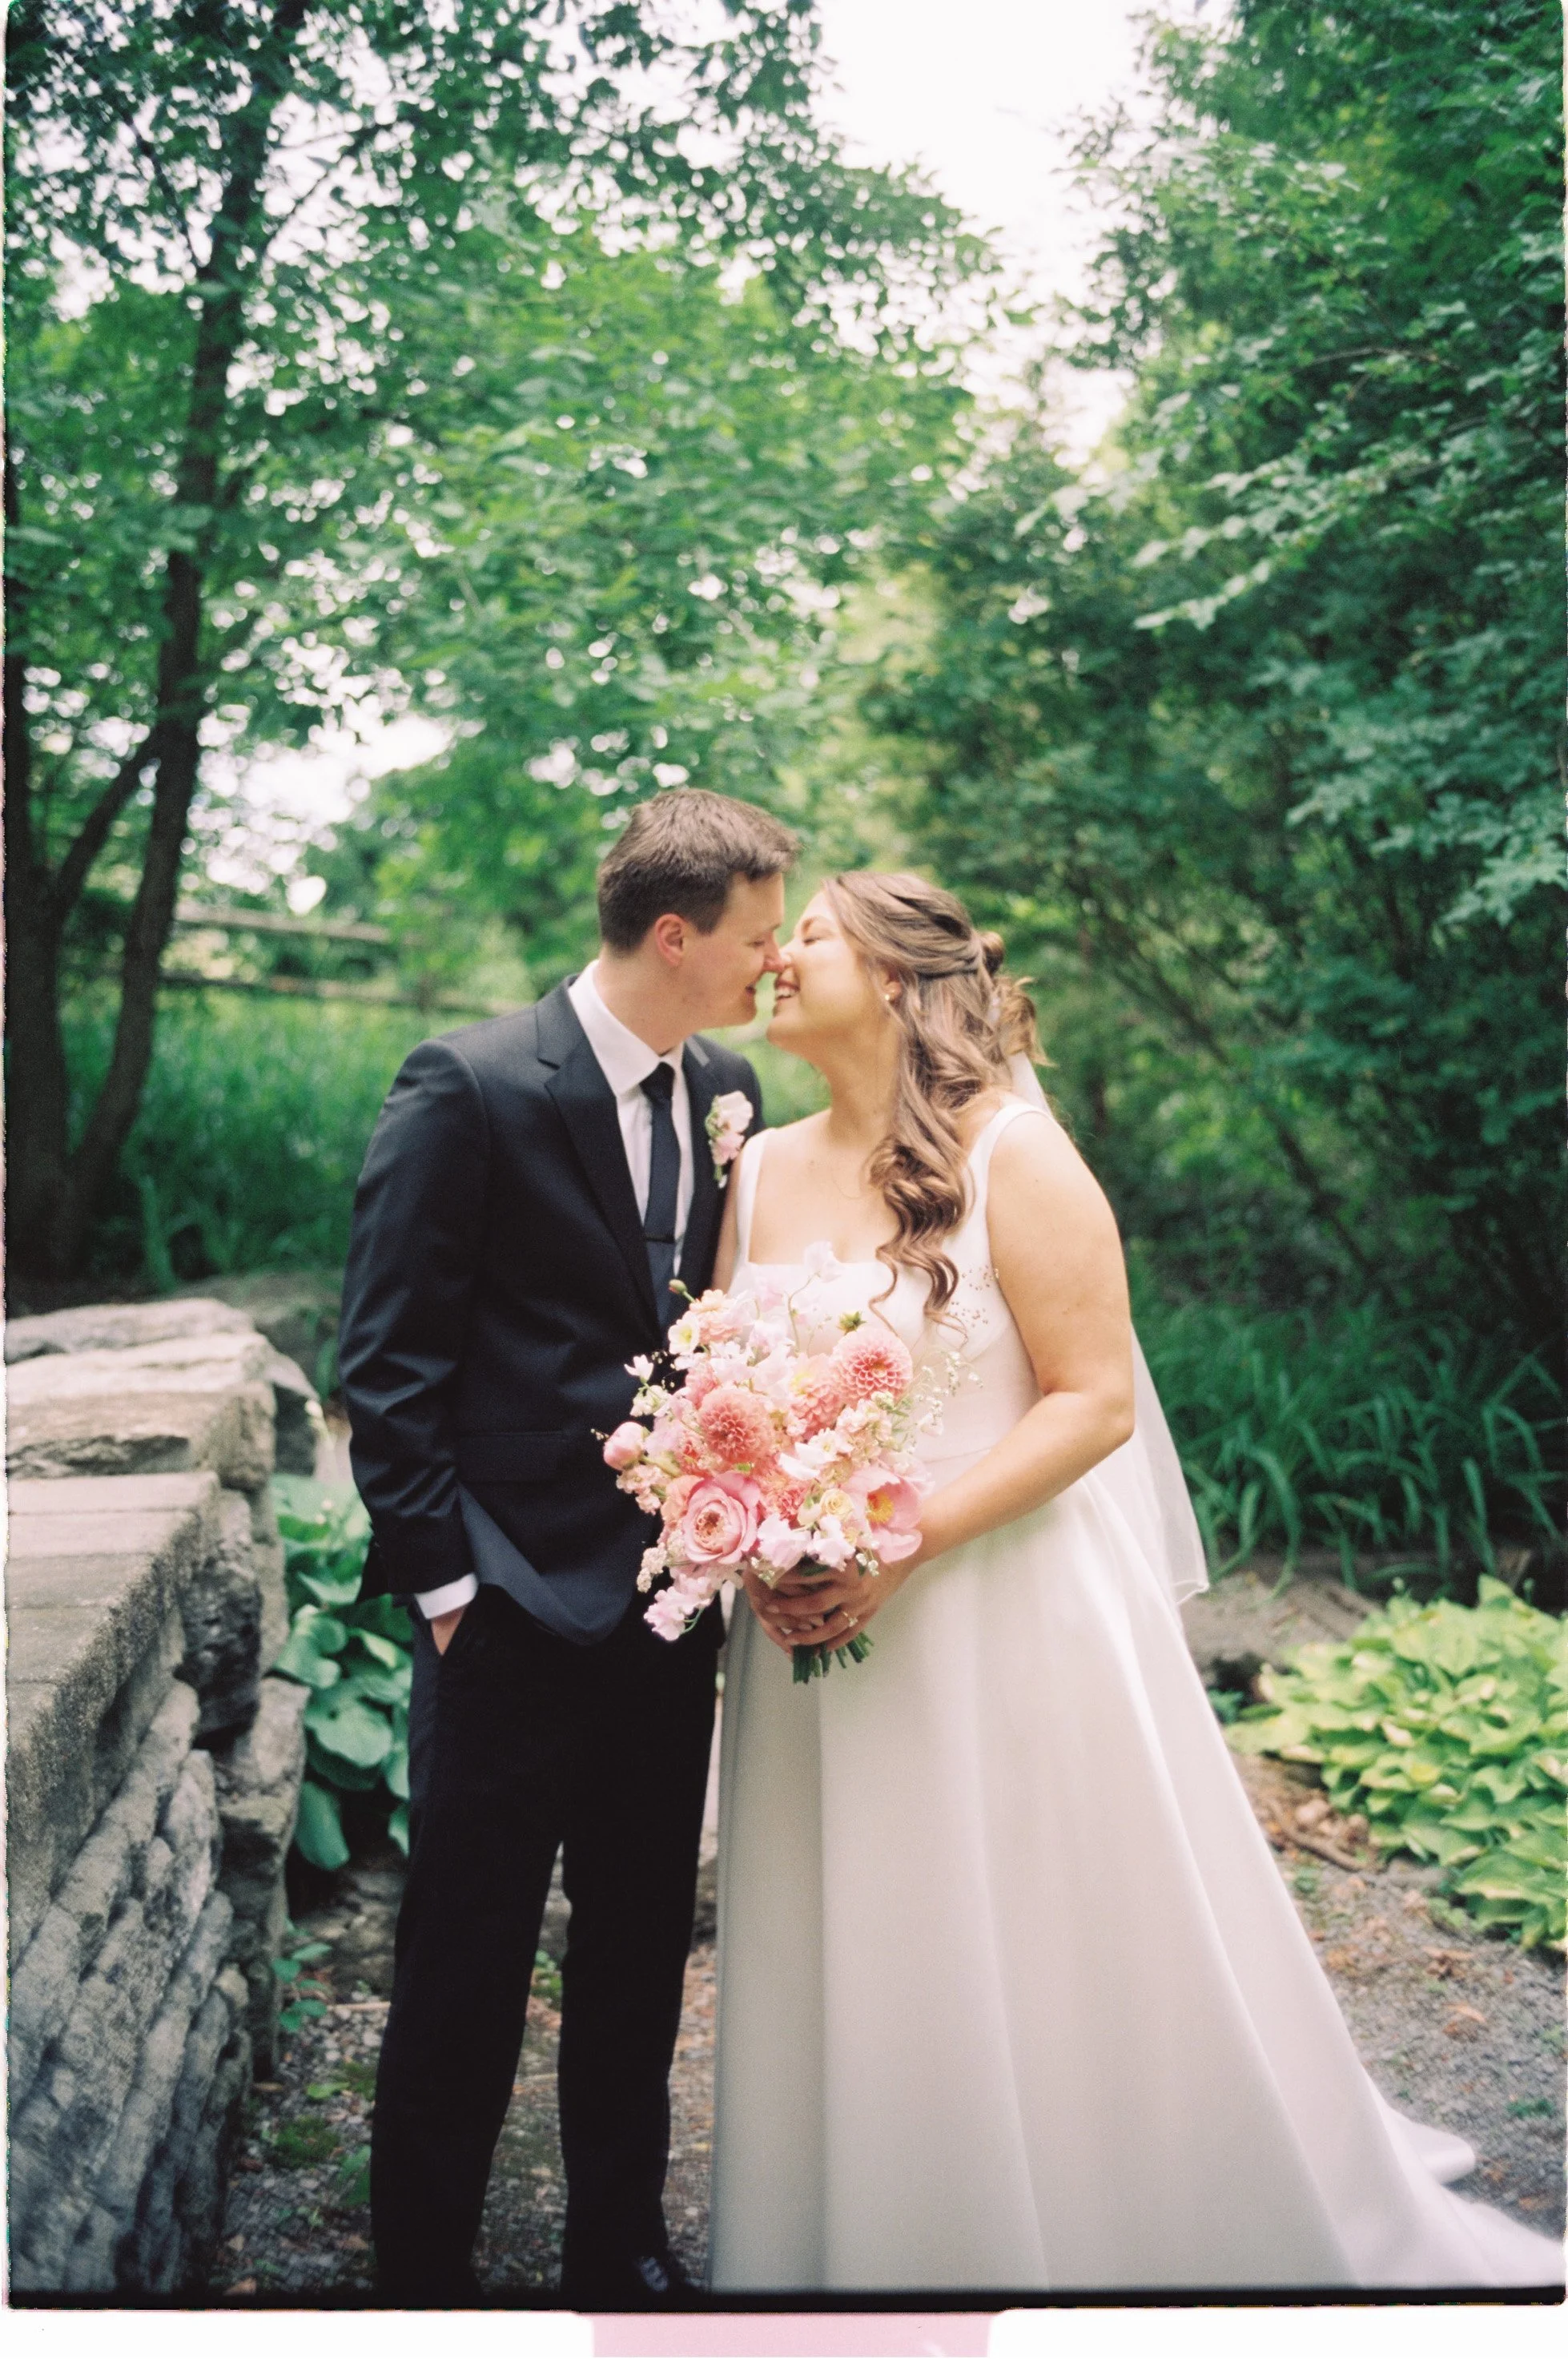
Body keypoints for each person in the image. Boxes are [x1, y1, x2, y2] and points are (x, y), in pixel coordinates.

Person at [706, 869, 1562, 2294]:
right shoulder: (760, 1169)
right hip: (811, 1631)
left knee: (1041, 1930)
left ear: (903, 980)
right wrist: (748, 1533)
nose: (777, 957)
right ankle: (857, 2239)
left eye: (807, 935)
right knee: (859, 1940)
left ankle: (1099, 2221)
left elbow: (1091, 1400)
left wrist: (897, 1544)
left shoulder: (1014, 1156)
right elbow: (724, 1388)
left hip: (997, 1606)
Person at [337, 787, 795, 2305]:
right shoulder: (467, 1085)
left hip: (669, 1605)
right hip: (508, 1607)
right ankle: (421, 2279)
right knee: (463, 1963)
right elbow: (388, 1364)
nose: (770, 962)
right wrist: (453, 1591)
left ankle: (620, 2249)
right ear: (676, 935)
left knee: (639, 1951)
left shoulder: (724, 1083)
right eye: (753, 935)